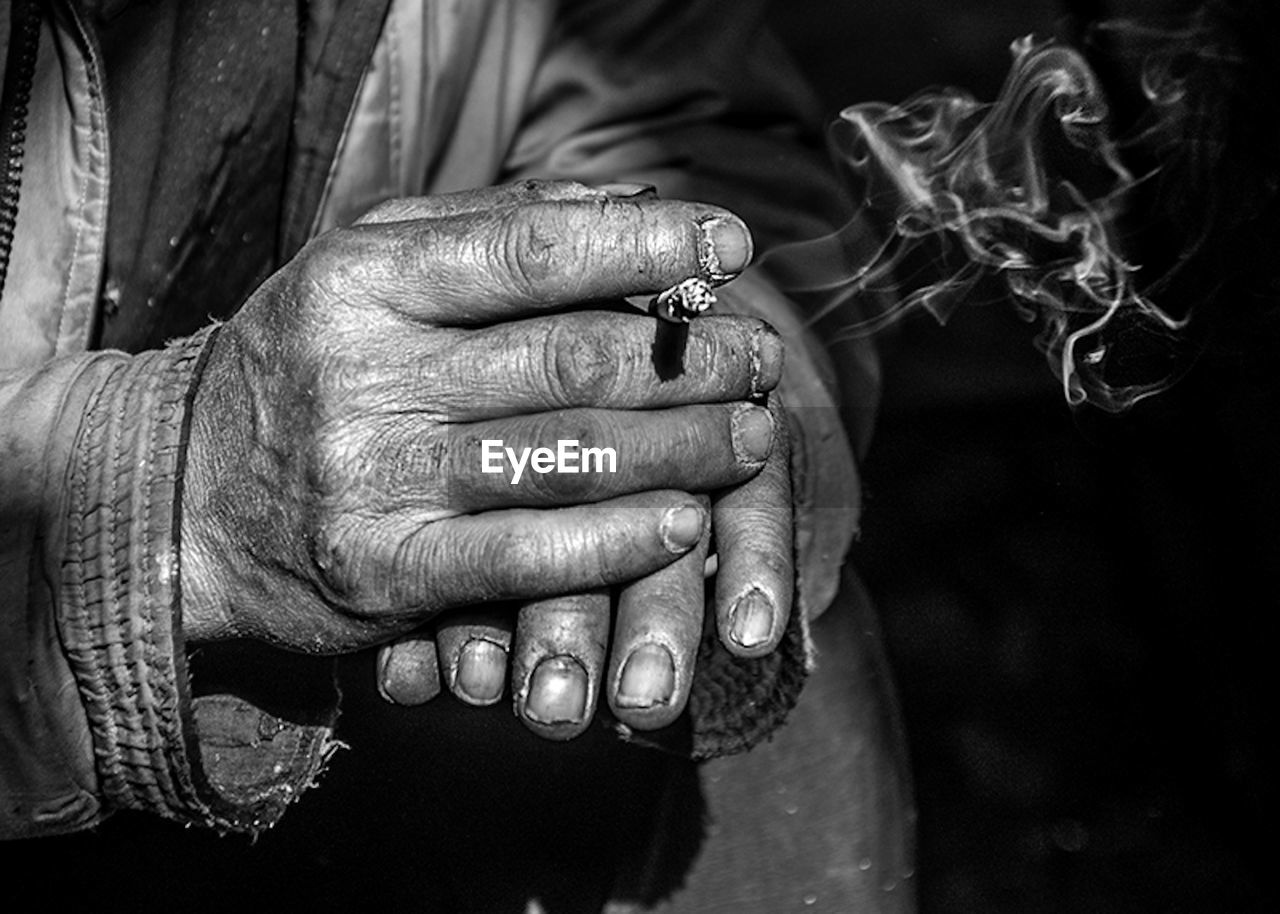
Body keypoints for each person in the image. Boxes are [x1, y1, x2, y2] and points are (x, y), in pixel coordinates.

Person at [1, 0, 914, 909]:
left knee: (776, 684)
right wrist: (161, 500)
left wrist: (698, 367)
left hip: (371, 701)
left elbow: (682, 102)